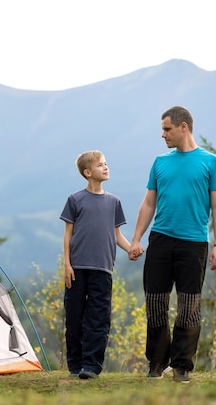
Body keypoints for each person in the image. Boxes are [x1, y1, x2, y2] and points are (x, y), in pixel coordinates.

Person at [128, 106, 216, 384]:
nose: (163, 135)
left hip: (194, 243)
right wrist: (136, 238)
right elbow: (148, 203)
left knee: (189, 306)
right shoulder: (160, 162)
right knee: (155, 303)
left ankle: (182, 365)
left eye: (167, 129)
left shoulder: (210, 162)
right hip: (160, 240)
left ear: (184, 127)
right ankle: (157, 363)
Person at [60, 150, 131, 379]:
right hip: (77, 268)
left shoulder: (114, 202)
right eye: (101, 165)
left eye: (106, 164)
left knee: (98, 319)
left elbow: (117, 235)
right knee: (74, 317)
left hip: (103, 269)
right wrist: (67, 265)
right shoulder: (75, 200)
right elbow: (67, 235)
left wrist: (132, 249)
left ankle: (91, 366)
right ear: (87, 172)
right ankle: (75, 365)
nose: (106, 167)